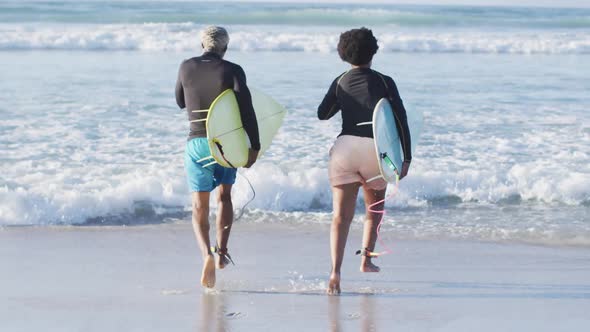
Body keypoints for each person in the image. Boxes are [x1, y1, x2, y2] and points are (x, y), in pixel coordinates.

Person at [317, 27, 412, 295]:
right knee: (374, 209)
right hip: (375, 150)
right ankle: (366, 259)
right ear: (374, 51)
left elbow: (323, 114)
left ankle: (335, 272)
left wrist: (343, 100)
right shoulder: (384, 81)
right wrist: (406, 157)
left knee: (340, 217)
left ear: (343, 54)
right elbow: (401, 120)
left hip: (344, 149)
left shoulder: (340, 81)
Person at [175, 26, 260, 288]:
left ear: (202, 44)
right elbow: (247, 110)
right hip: (225, 144)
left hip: (198, 142)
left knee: (199, 206)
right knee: (224, 197)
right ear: (225, 47)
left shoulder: (186, 67)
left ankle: (206, 255)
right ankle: (222, 252)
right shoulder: (232, 70)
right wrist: (253, 147)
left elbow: (180, 101)